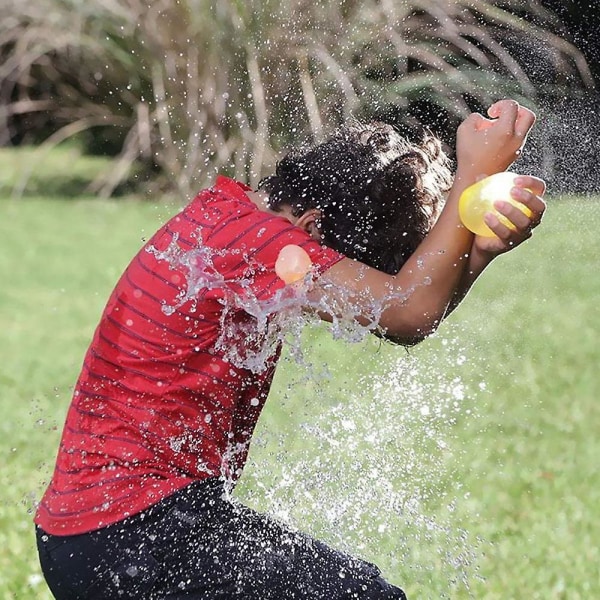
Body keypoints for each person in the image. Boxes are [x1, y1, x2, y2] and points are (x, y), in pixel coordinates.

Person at [34, 99, 546, 599]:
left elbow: (411, 310)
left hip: (101, 535)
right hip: (135, 534)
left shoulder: (230, 222)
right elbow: (403, 312)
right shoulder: (264, 245)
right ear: (312, 229)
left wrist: (473, 254)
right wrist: (470, 178)